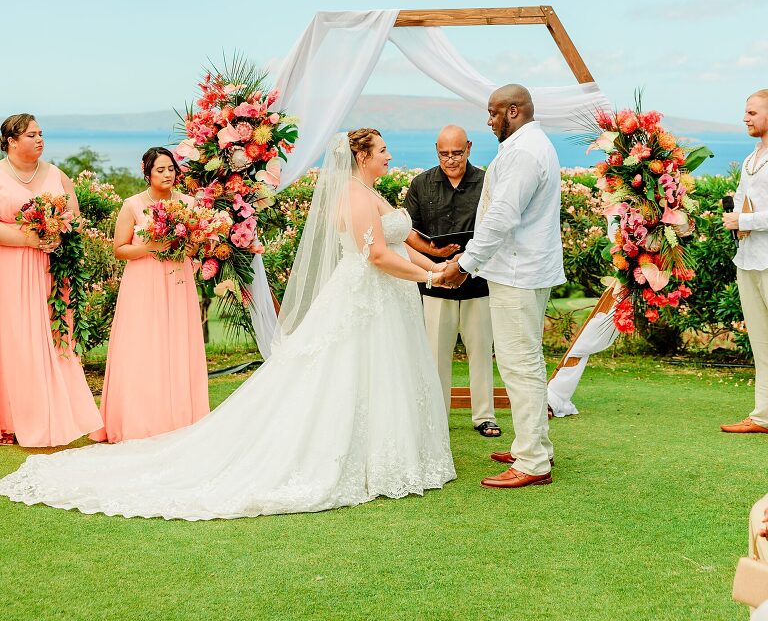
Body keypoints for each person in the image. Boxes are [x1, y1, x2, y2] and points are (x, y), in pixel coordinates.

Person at [0, 128, 455, 519]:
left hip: (384, 299)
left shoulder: (372, 193)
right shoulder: (353, 196)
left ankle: (383, 452)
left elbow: (397, 243)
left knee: (375, 373)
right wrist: (433, 276)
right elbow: (376, 256)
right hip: (365, 295)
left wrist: (433, 265)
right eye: (382, 150)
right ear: (361, 156)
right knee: (340, 374)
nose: (389, 156)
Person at [442, 84, 564, 489]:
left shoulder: (525, 152)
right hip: (521, 270)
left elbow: (502, 216)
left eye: (493, 113)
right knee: (526, 362)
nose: (489, 120)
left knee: (519, 365)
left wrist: (466, 263)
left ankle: (533, 462)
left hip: (518, 272)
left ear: (514, 111)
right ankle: (534, 446)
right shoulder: (525, 146)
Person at [92, 147, 209, 443]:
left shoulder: (188, 204)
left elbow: (196, 245)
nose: (167, 174)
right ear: (147, 173)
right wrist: (150, 247)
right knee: (142, 345)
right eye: (160, 170)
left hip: (178, 281)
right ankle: (140, 419)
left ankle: (180, 417)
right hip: (142, 283)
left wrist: (189, 245)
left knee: (177, 343)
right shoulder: (132, 205)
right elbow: (119, 249)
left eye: (171, 168)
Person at [0, 113, 103, 447]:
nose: (40, 139)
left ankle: (53, 413)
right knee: (15, 340)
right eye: (31, 135)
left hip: (51, 270)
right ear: (11, 141)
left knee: (55, 336)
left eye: (41, 133)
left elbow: (75, 218)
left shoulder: (56, 174)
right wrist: (27, 239)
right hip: (9, 270)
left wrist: (59, 235)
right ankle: (11, 419)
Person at [405, 125, 498, 437]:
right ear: (436, 150)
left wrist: (464, 262)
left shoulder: (486, 182)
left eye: (457, 153)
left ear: (469, 147)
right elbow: (408, 233)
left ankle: (484, 416)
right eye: (443, 154)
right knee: (435, 355)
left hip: (478, 282)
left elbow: (495, 229)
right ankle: (437, 418)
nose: (450, 160)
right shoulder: (421, 184)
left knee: (481, 352)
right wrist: (436, 258)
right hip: (435, 282)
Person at [722, 89, 768, 434]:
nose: (745, 118)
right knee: (761, 344)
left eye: (752, 112)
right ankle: (763, 416)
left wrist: (745, 220)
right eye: (745, 112)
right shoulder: (752, 158)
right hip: (748, 259)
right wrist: (734, 218)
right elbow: (740, 201)